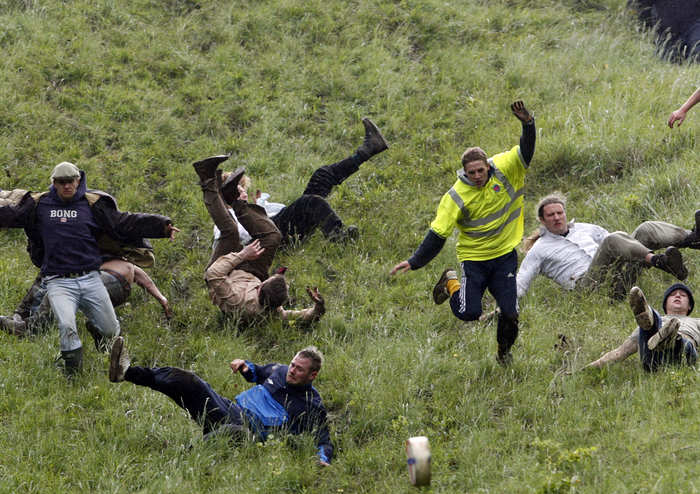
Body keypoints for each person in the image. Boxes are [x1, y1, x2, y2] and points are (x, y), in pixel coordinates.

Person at [390, 101, 536, 365]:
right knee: (468, 313)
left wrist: (528, 124)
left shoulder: (504, 168)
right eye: (472, 173)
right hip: (475, 261)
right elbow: (437, 234)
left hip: (504, 256)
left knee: (510, 313)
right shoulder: (456, 196)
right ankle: (450, 282)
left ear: (488, 166)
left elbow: (526, 152)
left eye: (481, 170)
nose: (478, 176)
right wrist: (415, 261)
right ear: (464, 172)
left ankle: (504, 353)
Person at [0, 162, 178, 374]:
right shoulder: (39, 205)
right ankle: (72, 375)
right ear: (54, 183)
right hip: (59, 280)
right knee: (67, 326)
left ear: (78, 180)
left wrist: (161, 226)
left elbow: (124, 221)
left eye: (71, 182)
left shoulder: (94, 205)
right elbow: (11, 215)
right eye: (62, 182)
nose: (67, 186)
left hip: (90, 278)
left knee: (111, 329)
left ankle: (121, 367)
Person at [108, 339, 333, 465]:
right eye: (293, 364)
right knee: (189, 381)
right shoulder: (279, 370)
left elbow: (323, 439)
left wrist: (322, 459)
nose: (292, 371)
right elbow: (256, 371)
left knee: (233, 431)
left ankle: (180, 460)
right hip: (230, 408)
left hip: (250, 432)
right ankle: (126, 372)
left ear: (312, 375)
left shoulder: (311, 404)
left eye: (299, 369)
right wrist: (244, 365)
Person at [212, 117, 388, 249]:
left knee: (321, 176)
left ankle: (368, 149)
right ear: (226, 198)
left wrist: (258, 207)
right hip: (273, 240)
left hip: (284, 226)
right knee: (309, 201)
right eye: (237, 190)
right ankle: (340, 237)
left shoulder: (249, 208)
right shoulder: (226, 222)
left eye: (242, 187)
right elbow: (231, 245)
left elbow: (282, 210)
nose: (243, 192)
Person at [193, 155, 325, 323]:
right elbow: (301, 316)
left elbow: (213, 275)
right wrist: (319, 307)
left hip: (223, 272)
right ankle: (235, 201)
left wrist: (243, 255)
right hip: (249, 271)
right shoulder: (274, 311)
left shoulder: (236, 300)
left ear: (261, 285)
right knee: (273, 237)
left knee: (230, 232)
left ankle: (207, 179)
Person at [516, 195, 697, 301]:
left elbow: (621, 242)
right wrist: (505, 308)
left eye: (559, 213)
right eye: (551, 215)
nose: (557, 218)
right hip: (590, 289)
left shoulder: (584, 228)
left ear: (565, 213)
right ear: (542, 220)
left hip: (617, 279)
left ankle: (692, 238)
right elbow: (521, 282)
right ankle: (659, 262)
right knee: (611, 240)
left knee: (645, 229)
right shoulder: (539, 249)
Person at [0, 257, 172, 336]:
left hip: (116, 290)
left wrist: (162, 299)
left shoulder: (126, 262)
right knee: (53, 291)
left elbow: (146, 281)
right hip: (100, 282)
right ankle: (24, 324)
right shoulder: (93, 253)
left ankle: (98, 330)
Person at [586, 284, 699, 372]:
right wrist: (587, 370)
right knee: (652, 322)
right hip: (652, 359)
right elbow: (621, 351)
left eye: (683, 295)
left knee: (683, 342)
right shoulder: (651, 320)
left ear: (689, 305)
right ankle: (661, 334)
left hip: (683, 356)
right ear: (665, 304)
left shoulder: (696, 322)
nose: (678, 296)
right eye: (673, 294)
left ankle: (671, 337)